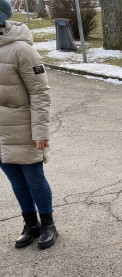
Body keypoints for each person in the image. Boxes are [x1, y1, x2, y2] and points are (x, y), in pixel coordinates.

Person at [0, 0, 58, 250]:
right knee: (15, 180)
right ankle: (30, 224)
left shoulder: (21, 50)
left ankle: (48, 224)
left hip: (23, 126)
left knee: (34, 178)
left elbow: (40, 93)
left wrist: (41, 132)